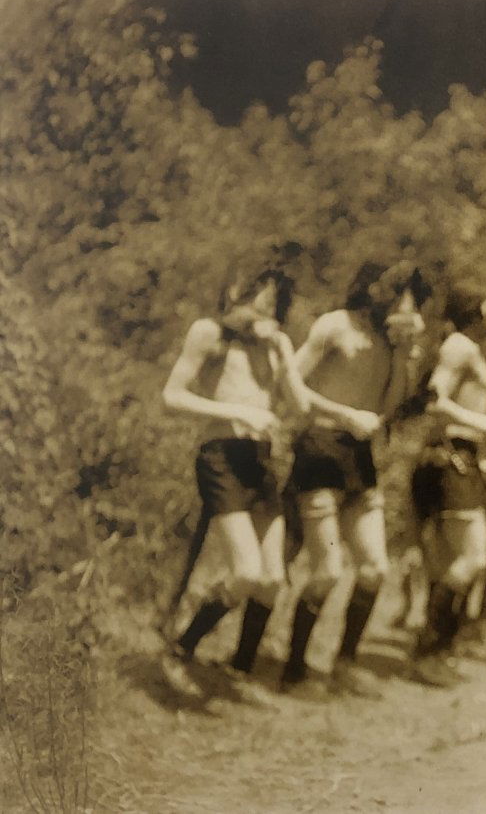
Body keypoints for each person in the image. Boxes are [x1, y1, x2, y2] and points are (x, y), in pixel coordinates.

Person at [160, 268, 310, 701]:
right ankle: (182, 647)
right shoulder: (209, 332)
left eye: (272, 306)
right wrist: (234, 412)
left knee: (271, 580)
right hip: (220, 455)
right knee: (246, 571)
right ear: (234, 293)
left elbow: (298, 404)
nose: (262, 313)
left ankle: (231, 665)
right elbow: (172, 395)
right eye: (257, 301)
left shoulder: (273, 345)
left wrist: (283, 352)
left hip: (260, 461)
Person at [277, 262, 427, 698]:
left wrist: (404, 352)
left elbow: (391, 406)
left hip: (359, 459)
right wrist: (344, 415)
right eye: (402, 295)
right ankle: (293, 669)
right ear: (380, 290)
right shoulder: (333, 326)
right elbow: (291, 385)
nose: (408, 305)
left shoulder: (386, 339)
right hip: (318, 450)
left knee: (375, 569)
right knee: (326, 569)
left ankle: (342, 664)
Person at [408, 291, 486, 687]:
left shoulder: (469, 347)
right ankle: (429, 649)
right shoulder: (459, 346)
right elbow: (434, 401)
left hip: (458, 456)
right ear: (477, 311)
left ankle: (436, 650)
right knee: (473, 558)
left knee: (454, 561)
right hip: (451, 458)